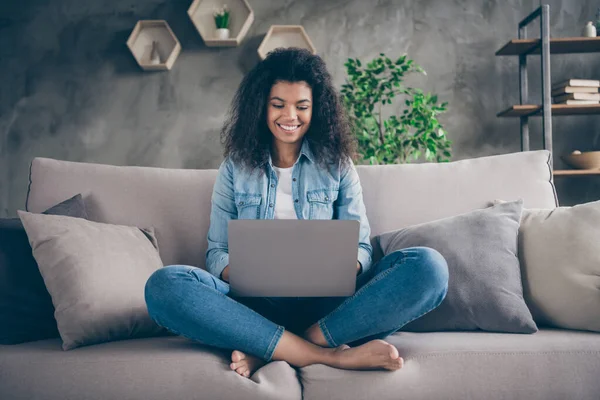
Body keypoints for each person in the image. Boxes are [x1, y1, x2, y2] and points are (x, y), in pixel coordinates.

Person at [144, 48, 449, 378]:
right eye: (278, 105)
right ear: (261, 106)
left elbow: (361, 248)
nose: (290, 116)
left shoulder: (337, 165)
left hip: (328, 309)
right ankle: (330, 356)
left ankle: (282, 348)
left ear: (316, 109)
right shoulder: (235, 167)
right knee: (165, 285)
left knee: (429, 267)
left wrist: (346, 266)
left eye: (301, 106)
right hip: (255, 307)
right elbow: (217, 253)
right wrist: (248, 273)